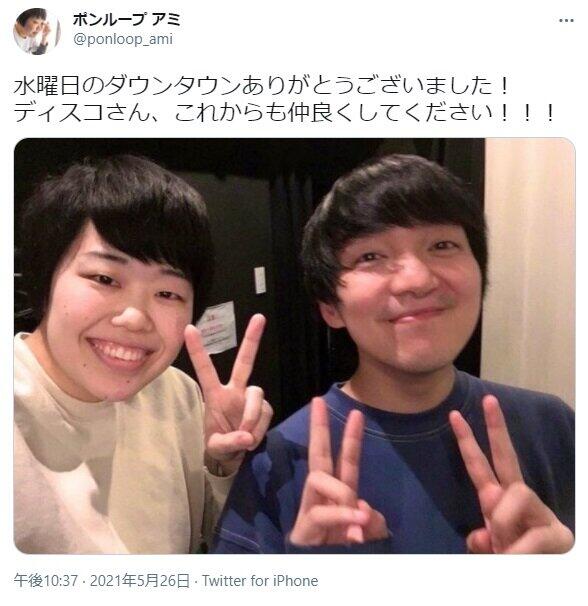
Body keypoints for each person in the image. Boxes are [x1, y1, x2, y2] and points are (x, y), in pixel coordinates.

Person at [213, 154, 574, 554]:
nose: (416, 280)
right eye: (370, 256)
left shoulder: (555, 426)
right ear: (330, 307)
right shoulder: (277, 463)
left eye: (442, 245)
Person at [14, 155, 273, 554]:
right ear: (45, 277)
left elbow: (220, 542)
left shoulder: (177, 395)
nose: (135, 318)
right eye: (104, 278)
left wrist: (223, 463)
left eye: (167, 293)